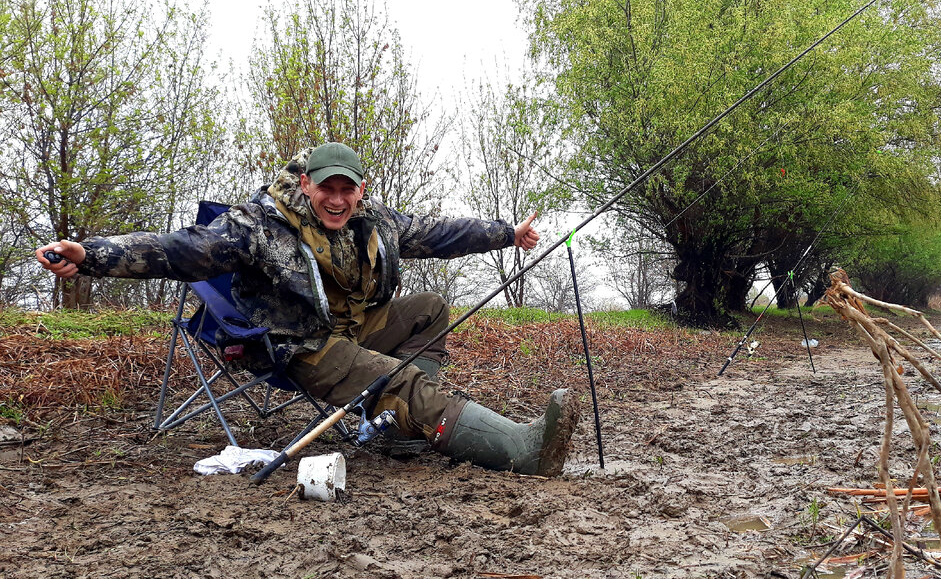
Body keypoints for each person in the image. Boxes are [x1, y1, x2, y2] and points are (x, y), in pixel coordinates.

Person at [35, 142, 579, 476]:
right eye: (326, 189)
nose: (337, 200)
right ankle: (523, 452)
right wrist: (94, 257)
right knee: (408, 380)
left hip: (356, 330)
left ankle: (398, 431)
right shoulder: (257, 227)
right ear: (305, 184)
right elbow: (181, 249)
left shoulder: (376, 221)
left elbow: (439, 232)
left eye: (348, 190)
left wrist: (507, 234)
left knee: (429, 308)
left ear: (361, 191)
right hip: (300, 348)